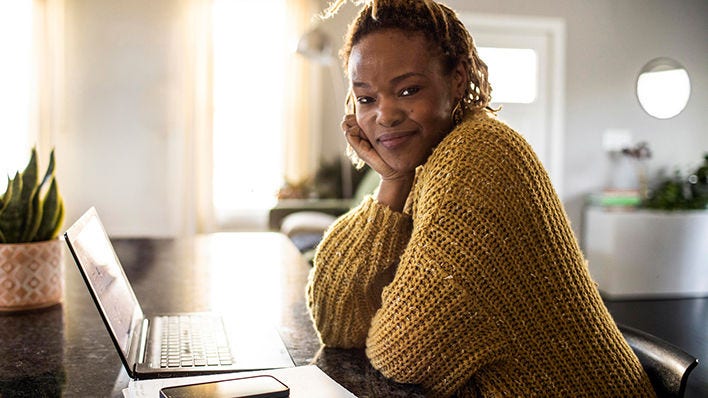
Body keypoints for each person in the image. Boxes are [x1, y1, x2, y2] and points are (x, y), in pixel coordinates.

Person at [306, 0, 655, 396]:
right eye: (366, 98)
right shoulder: (425, 165)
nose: (384, 115)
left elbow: (402, 354)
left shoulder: (477, 156)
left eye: (407, 90)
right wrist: (392, 181)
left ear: (457, 78)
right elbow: (337, 323)